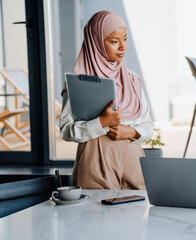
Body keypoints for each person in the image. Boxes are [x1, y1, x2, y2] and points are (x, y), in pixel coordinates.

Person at [60, 10, 154, 190]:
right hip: (95, 161)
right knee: (97, 214)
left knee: (136, 214)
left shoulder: (133, 80)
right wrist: (101, 122)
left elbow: (148, 124)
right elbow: (66, 130)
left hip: (133, 161)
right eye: (114, 41)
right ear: (96, 43)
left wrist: (132, 132)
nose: (122, 47)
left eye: (125, 39)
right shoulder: (78, 82)